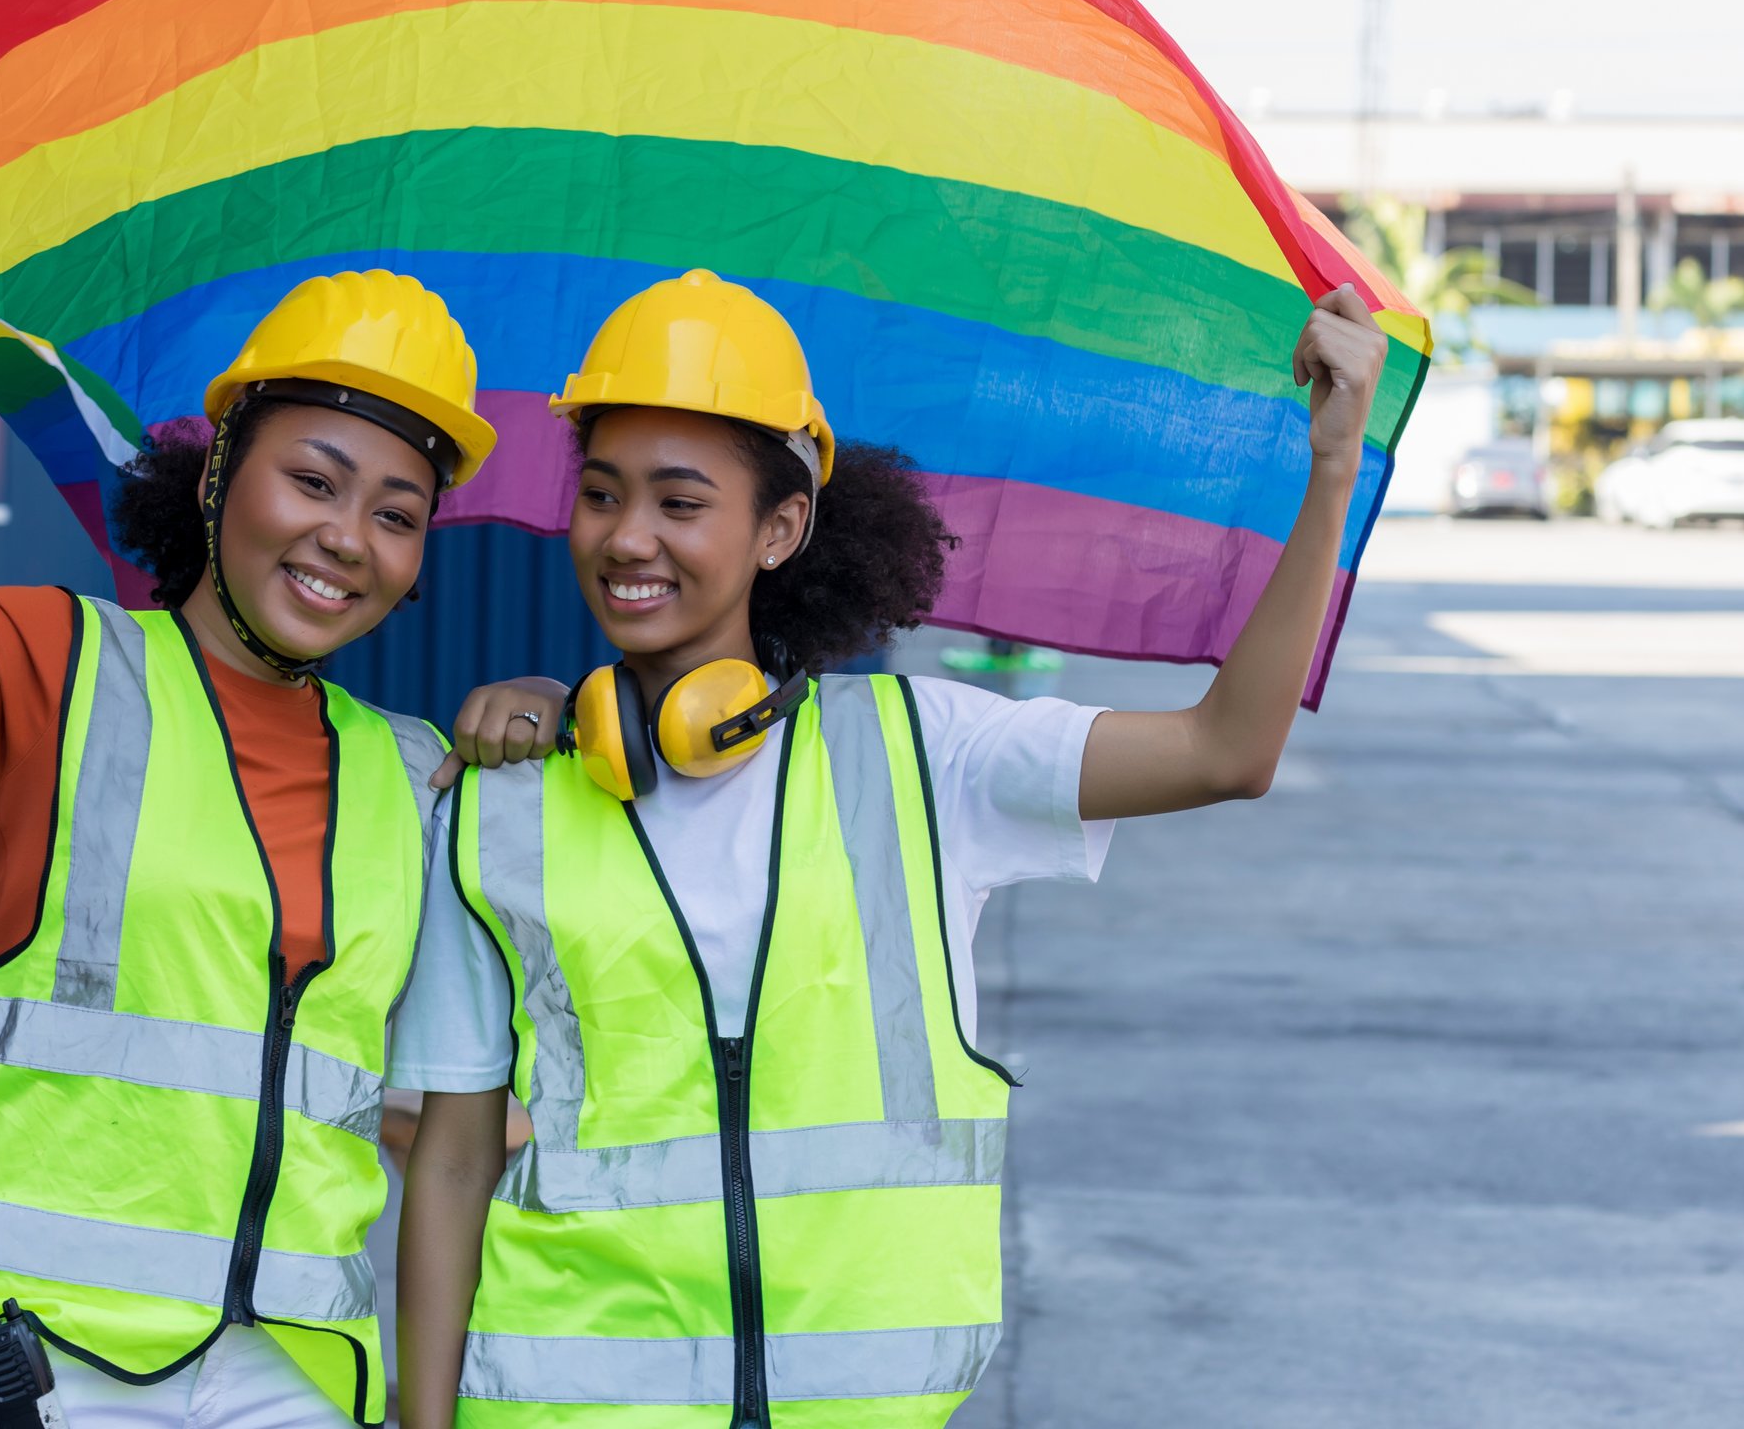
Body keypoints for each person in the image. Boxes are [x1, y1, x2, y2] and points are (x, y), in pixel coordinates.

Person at [0, 101, 567, 1429]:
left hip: (297, 1378)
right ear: (216, 482)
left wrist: (566, 713)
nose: (348, 540)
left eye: (397, 514)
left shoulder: (417, 777)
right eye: (313, 481)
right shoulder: (49, 666)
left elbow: (442, 1128)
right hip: (30, 1373)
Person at [391, 269, 1390, 1426]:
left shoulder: (930, 757)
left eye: (679, 502)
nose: (627, 539)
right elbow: (453, 1161)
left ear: (781, 527)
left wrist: (1331, 469)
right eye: (602, 495)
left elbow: (1226, 749)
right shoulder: (501, 802)